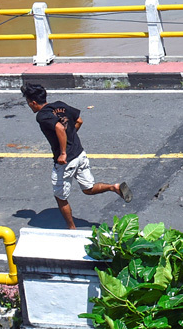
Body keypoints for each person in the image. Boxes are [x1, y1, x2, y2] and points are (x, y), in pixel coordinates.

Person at [20, 83, 131, 229]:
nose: (30, 106)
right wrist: (69, 137)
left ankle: (71, 228)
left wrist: (63, 151)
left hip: (66, 161)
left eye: (29, 103)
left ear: (33, 102)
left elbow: (59, 127)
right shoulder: (60, 105)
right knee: (88, 189)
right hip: (80, 154)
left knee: (60, 197)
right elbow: (79, 121)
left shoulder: (42, 116)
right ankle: (113, 187)